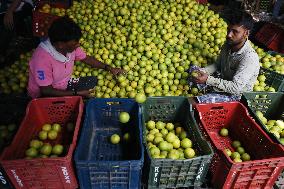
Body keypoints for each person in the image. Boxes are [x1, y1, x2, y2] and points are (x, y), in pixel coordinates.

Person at [27, 16, 125, 98]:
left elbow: (86, 58)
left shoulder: (70, 47)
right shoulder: (41, 59)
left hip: (64, 84)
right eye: (74, 43)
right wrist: (76, 93)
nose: (78, 45)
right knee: (83, 100)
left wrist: (109, 68)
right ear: (61, 44)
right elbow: (46, 90)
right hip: (46, 95)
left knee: (94, 82)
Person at [192, 11, 260, 103]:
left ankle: (207, 94)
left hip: (237, 96)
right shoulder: (227, 45)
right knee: (193, 69)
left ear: (246, 33)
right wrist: (204, 72)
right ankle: (207, 91)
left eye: (235, 32)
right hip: (223, 84)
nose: (229, 35)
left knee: (199, 101)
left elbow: (235, 88)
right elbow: (217, 65)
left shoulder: (249, 57)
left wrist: (208, 79)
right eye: (229, 30)